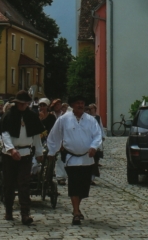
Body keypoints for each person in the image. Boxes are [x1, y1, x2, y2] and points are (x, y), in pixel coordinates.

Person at [47, 94, 102, 226]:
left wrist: (94, 147)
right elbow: (54, 135)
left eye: (82, 103)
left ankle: (77, 205)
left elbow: (97, 135)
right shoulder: (64, 119)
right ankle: (76, 211)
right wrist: (52, 151)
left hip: (86, 158)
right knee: (74, 184)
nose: (80, 105)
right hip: (71, 158)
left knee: (83, 186)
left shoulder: (90, 120)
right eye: (78, 103)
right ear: (72, 105)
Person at [0, 90, 44, 225]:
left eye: (25, 104)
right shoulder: (9, 115)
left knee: (24, 184)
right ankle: (9, 210)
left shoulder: (32, 116)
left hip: (26, 154)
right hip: (9, 155)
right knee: (9, 184)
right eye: (20, 104)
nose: (23, 106)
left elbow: (36, 136)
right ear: (16, 103)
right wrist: (11, 150)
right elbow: (4, 134)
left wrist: (39, 152)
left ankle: (25, 213)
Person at [50, 98, 67, 185]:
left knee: (61, 158)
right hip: (51, 137)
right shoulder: (51, 115)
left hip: (61, 138)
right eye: (56, 105)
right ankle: (51, 172)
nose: (58, 106)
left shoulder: (64, 115)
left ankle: (61, 176)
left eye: (59, 105)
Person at [88, 103, 105, 184]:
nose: (91, 110)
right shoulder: (88, 118)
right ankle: (89, 177)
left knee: (96, 157)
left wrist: (102, 135)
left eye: (92, 108)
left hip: (96, 140)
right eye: (90, 108)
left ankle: (92, 177)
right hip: (89, 140)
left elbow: (100, 127)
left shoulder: (98, 117)